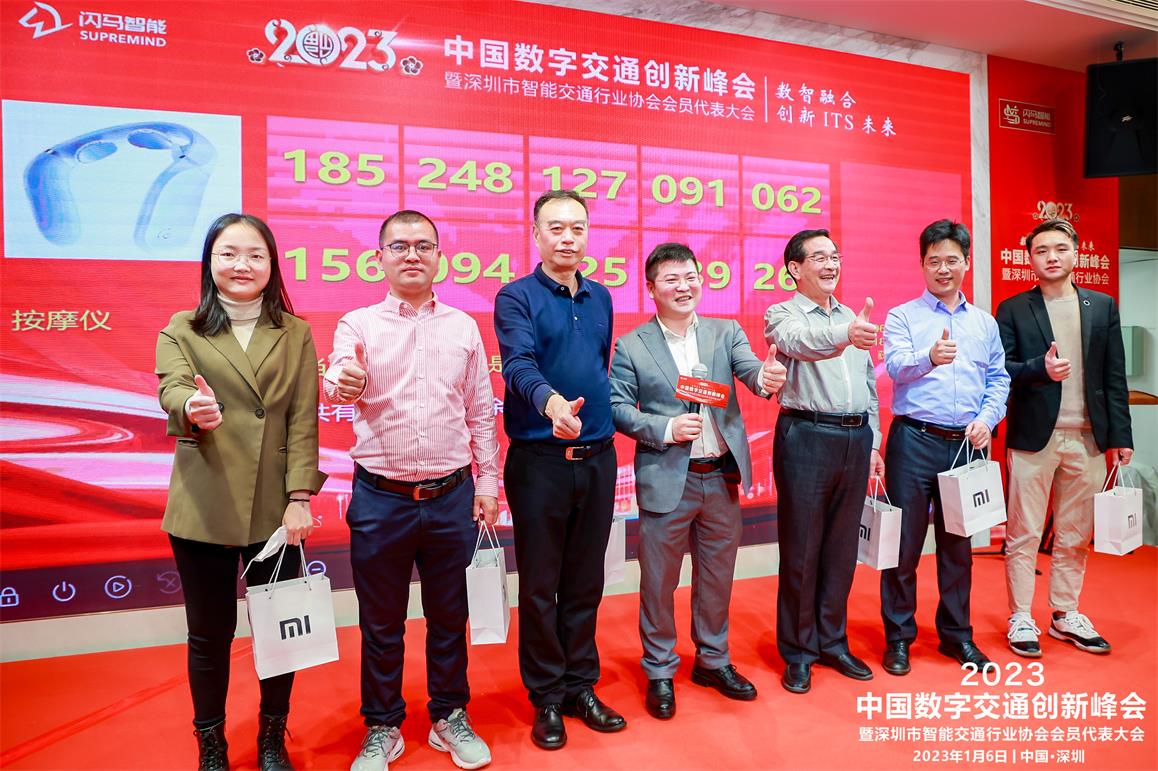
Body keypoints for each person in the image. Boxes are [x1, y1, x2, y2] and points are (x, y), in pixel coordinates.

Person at [325, 210, 499, 771]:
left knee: (449, 616)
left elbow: (480, 411)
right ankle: (383, 726)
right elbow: (338, 378)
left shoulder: (463, 326)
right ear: (379, 258)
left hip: (452, 495)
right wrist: (342, 381)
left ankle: (449, 715)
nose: (412, 255)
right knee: (381, 623)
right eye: (399, 246)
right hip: (381, 499)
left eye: (424, 245)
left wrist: (488, 481)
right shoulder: (358, 325)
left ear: (439, 257)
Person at [156, 213, 327, 771]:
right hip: (204, 502)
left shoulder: (295, 332)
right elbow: (172, 387)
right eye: (228, 253)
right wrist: (191, 407)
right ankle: (211, 744)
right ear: (210, 262)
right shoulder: (182, 328)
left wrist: (300, 497)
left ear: (272, 264)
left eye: (255, 255)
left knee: (279, 630)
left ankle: (272, 738)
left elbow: (303, 419)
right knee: (209, 635)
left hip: (276, 509)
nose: (242, 265)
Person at [609, 242, 786, 719]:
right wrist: (665, 428)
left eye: (690, 277)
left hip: (720, 475)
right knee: (659, 582)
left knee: (717, 576)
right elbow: (617, 407)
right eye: (671, 279)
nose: (683, 286)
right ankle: (660, 669)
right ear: (651, 289)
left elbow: (752, 372)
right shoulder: (632, 345)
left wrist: (767, 376)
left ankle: (713, 660)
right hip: (668, 478)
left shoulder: (725, 332)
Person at [494, 189, 623, 750]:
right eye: (556, 227)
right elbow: (518, 364)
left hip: (597, 459)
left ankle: (580, 686)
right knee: (540, 585)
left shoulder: (601, 297)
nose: (568, 238)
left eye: (578, 227)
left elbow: (598, 364)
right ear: (536, 234)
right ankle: (546, 696)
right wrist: (550, 405)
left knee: (585, 582)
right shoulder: (515, 296)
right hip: (539, 463)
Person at [995, 218, 1133, 658]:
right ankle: (1021, 615)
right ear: (1029, 259)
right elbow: (1001, 371)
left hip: (1089, 438)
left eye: (1059, 248)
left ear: (1076, 253)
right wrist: (1041, 368)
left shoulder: (1102, 306)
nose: (1051, 257)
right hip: (1033, 438)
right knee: (1024, 532)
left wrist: (1121, 436)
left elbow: (1114, 376)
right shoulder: (1013, 309)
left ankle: (1065, 613)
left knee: (1075, 533)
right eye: (1041, 250)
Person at [878, 220, 1010, 676]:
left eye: (952, 260)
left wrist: (987, 419)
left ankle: (957, 635)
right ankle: (898, 637)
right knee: (904, 548)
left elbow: (999, 379)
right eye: (933, 260)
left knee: (958, 549)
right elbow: (895, 366)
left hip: (965, 448)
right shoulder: (903, 316)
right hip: (913, 441)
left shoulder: (984, 323)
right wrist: (929, 358)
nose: (943, 269)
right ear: (922, 264)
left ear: (967, 263)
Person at [764, 228, 884, 695]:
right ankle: (798, 651)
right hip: (806, 436)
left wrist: (873, 443)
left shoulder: (852, 316)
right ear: (795, 268)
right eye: (819, 257)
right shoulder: (782, 314)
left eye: (835, 256)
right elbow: (803, 343)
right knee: (802, 548)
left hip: (855, 438)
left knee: (840, 548)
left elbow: (869, 384)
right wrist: (845, 335)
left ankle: (832, 641)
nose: (831, 264)